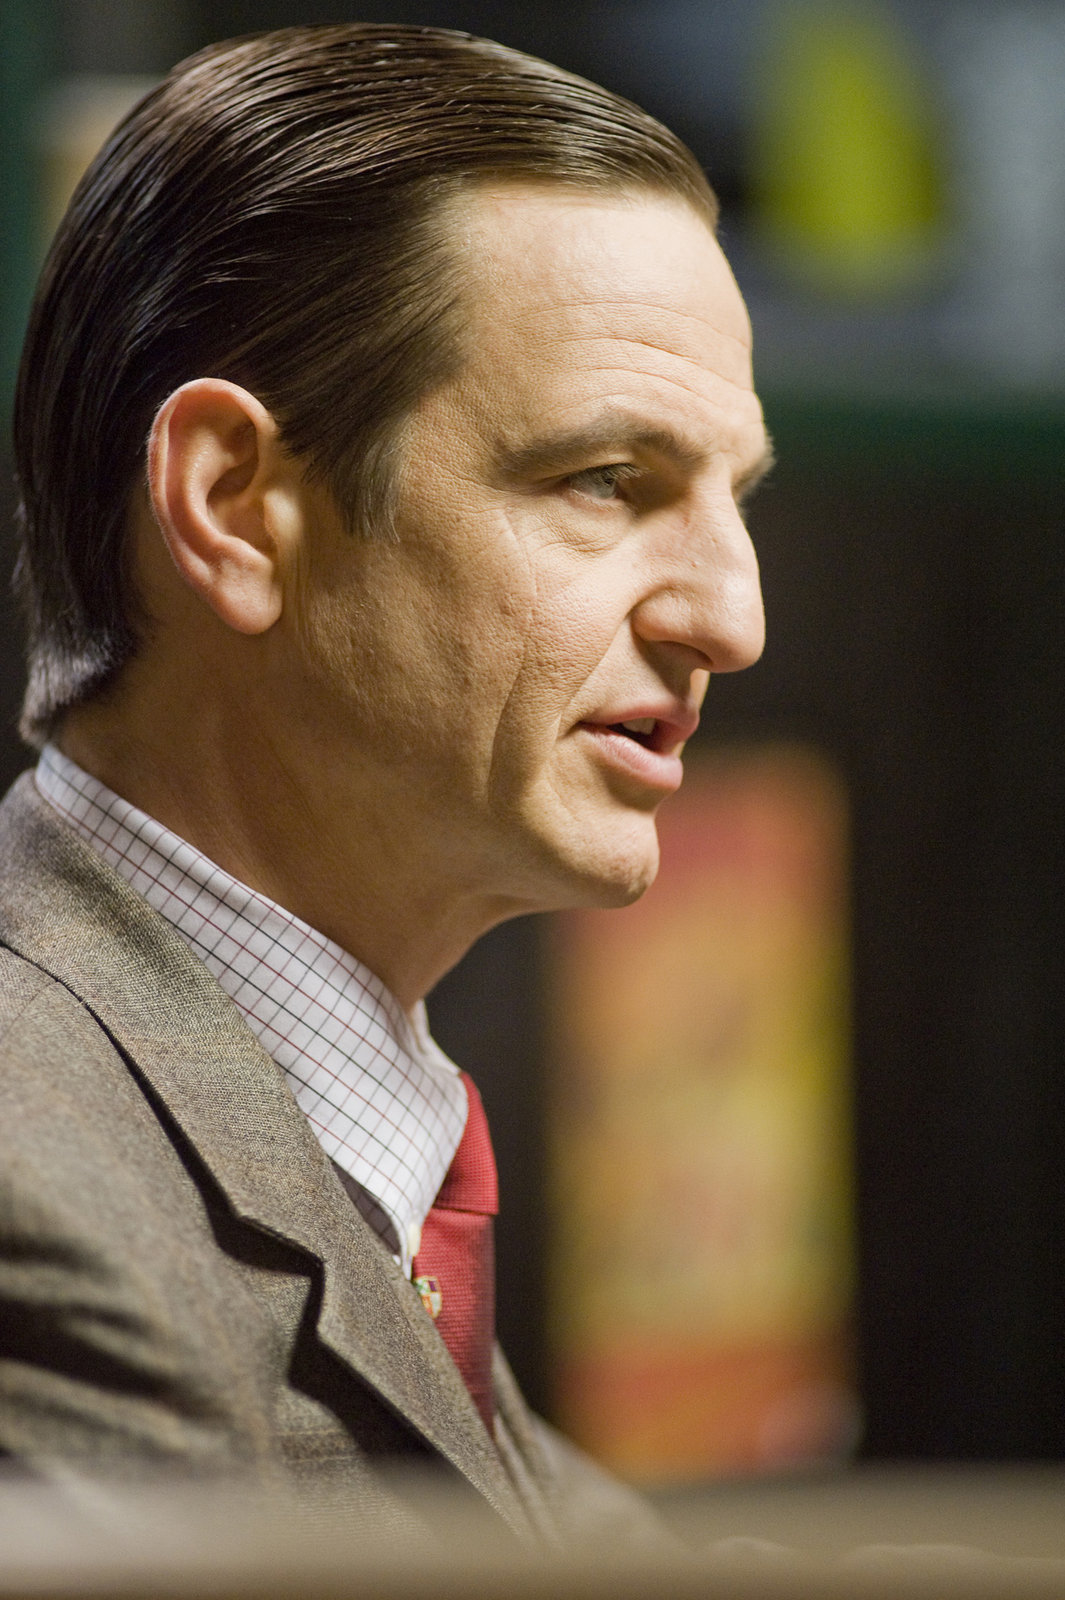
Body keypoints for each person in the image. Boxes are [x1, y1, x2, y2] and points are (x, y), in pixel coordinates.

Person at [0, 23, 769, 1545]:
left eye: (731, 498)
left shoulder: (339, 1143)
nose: (733, 618)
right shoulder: (36, 1189)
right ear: (234, 506)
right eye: (606, 481)